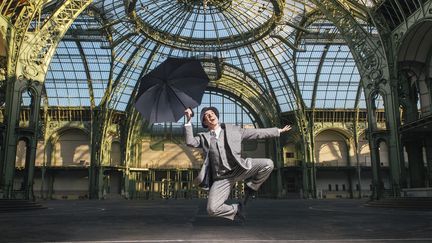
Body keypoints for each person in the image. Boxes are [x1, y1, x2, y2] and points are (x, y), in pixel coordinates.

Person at [184, 107, 291, 221]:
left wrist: (277, 131)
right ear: (204, 122)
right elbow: (190, 142)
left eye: (212, 113)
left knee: (268, 164)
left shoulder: (233, 130)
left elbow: (255, 133)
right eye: (206, 115)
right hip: (221, 178)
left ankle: (251, 187)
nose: (211, 115)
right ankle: (237, 209)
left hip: (239, 168)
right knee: (212, 209)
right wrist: (188, 119)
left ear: (216, 116)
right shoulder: (203, 137)